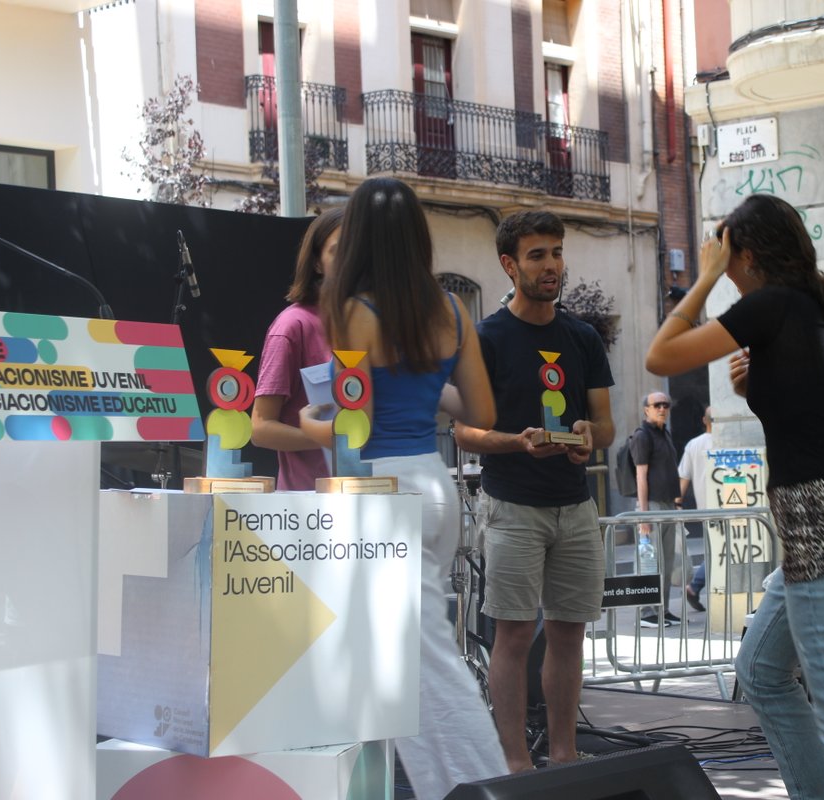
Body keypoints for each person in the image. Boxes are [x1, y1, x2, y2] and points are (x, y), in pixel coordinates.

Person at [644, 194, 824, 800]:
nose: (721, 261)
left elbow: (661, 353)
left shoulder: (772, 305)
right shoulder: (820, 306)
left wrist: (705, 276)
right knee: (761, 673)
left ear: (747, 252)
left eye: (725, 249)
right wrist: (760, 383)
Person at [298, 178, 505, 799]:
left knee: (423, 664)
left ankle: (483, 787)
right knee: (405, 657)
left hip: (380, 490)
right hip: (433, 483)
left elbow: (349, 421)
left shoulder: (351, 309)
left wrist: (310, 422)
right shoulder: (451, 310)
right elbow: (483, 415)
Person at [454, 209, 615, 772]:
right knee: (515, 635)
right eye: (537, 255)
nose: (552, 265)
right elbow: (463, 431)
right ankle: (517, 764)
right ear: (509, 264)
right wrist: (518, 443)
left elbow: (607, 425)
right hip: (512, 505)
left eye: (557, 252)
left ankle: (566, 756)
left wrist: (589, 438)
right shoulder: (487, 337)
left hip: (574, 506)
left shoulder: (583, 337)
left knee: (570, 635)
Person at [250, 207, 342, 490]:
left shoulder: (372, 325)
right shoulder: (292, 326)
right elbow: (261, 427)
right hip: (307, 511)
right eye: (339, 252)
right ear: (316, 263)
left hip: (373, 500)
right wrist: (325, 437)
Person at [632, 391, 681, 627]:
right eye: (657, 405)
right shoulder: (642, 435)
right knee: (649, 562)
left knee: (667, 561)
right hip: (650, 505)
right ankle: (645, 612)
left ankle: (663, 609)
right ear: (646, 409)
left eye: (666, 405)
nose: (662, 408)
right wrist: (643, 514)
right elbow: (641, 475)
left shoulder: (665, 433)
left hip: (668, 505)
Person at [677, 406, 713, 612]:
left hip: (705, 509)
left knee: (715, 551)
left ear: (703, 420)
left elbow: (684, 477)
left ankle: (696, 586)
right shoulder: (726, 441)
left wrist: (677, 503)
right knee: (720, 553)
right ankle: (695, 585)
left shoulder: (693, 445)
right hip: (728, 509)